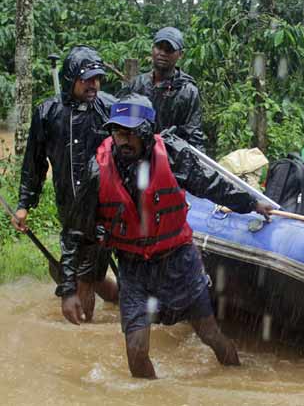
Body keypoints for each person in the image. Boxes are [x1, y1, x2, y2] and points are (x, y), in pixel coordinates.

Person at [58, 94, 273, 378]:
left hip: (179, 261)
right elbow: (76, 231)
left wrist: (251, 203)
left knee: (210, 335)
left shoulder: (171, 155)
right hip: (133, 267)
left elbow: (210, 184)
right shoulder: (97, 169)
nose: (123, 140)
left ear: (147, 132)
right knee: (136, 352)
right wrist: (68, 289)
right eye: (118, 132)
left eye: (131, 133)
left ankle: (238, 377)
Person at [12, 46, 119, 319]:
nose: (94, 84)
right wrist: (25, 204)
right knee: (91, 276)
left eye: (98, 78)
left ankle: (85, 345)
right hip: (68, 209)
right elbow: (34, 164)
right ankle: (132, 305)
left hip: (104, 212)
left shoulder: (110, 108)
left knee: (84, 280)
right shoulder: (47, 113)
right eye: (87, 79)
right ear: (71, 79)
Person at [122, 27, 205, 150]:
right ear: (152, 49)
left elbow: (193, 134)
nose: (162, 53)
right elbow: (121, 121)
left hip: (170, 158)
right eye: (159, 47)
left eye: (169, 50)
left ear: (180, 54)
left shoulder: (187, 91)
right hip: (137, 154)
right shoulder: (138, 84)